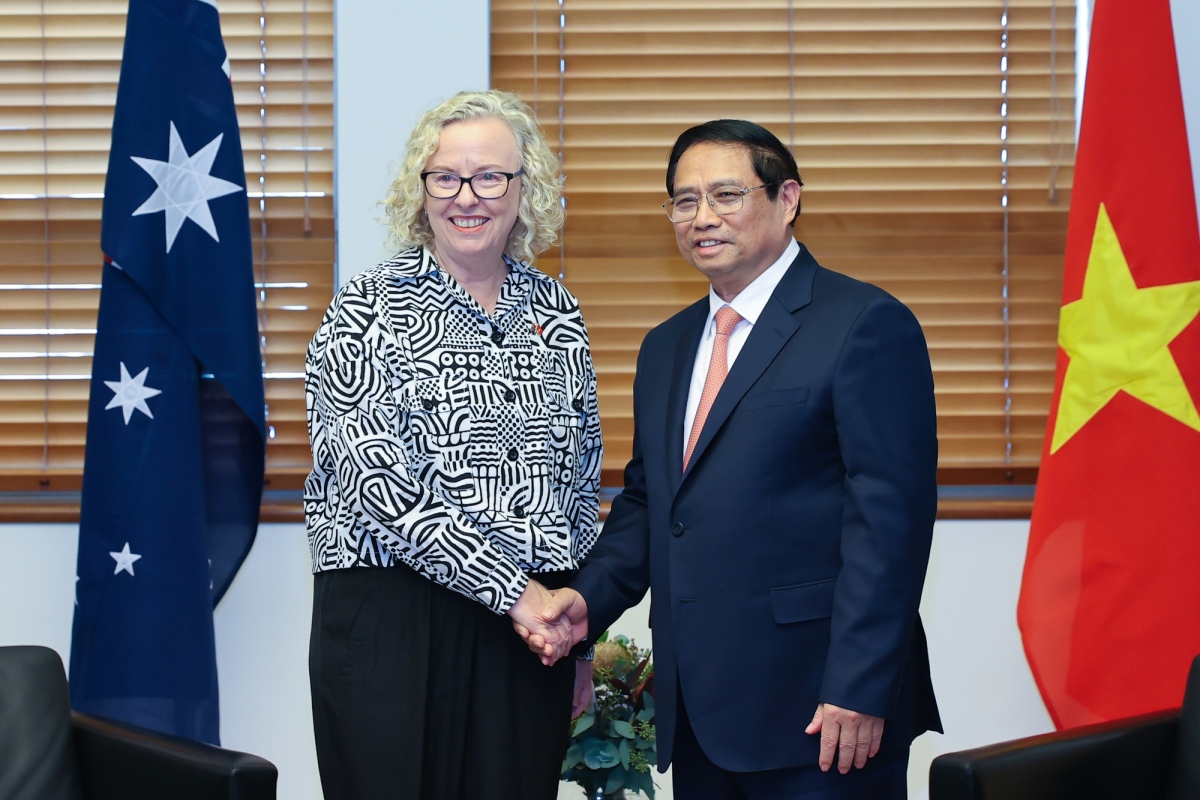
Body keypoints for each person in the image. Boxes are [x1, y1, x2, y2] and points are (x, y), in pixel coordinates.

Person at [521, 119, 942, 798]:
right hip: (700, 712)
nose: (702, 218)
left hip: (823, 712)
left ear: (787, 198)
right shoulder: (666, 346)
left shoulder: (863, 323)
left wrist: (859, 686)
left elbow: (890, 523)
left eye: (725, 195)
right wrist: (585, 601)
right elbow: (653, 503)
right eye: (684, 201)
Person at [304, 89, 601, 800]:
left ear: (525, 188)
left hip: (527, 634)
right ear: (422, 189)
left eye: (490, 177)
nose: (467, 197)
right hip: (393, 619)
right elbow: (377, 483)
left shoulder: (557, 311)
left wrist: (579, 639)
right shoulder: (366, 307)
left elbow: (579, 483)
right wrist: (512, 592)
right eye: (446, 177)